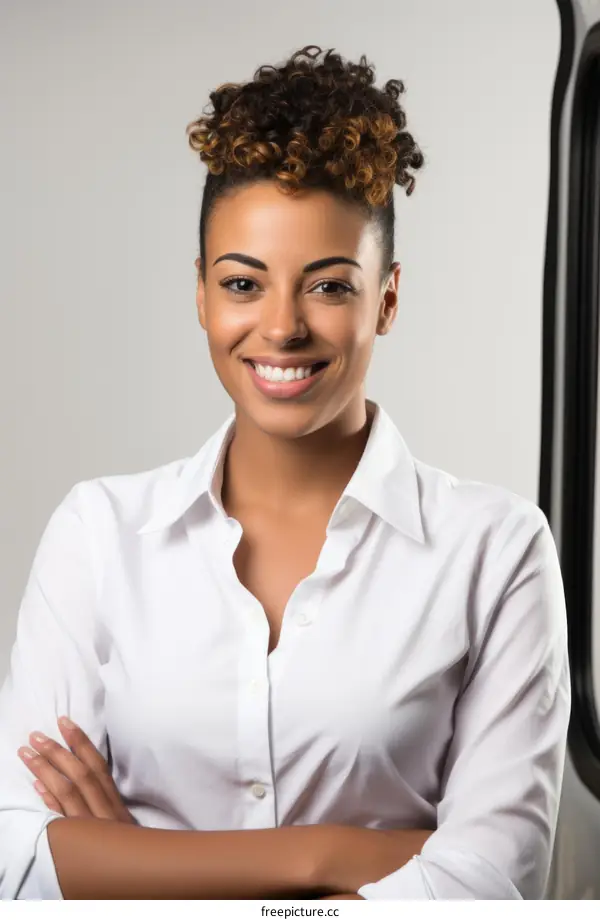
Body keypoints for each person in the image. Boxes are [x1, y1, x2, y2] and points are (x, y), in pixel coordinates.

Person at [0, 44, 570, 900]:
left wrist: (137, 872)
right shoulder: (97, 533)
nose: (281, 327)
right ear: (201, 294)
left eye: (329, 287)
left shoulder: (497, 549)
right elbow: (19, 860)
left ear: (387, 297)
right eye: (243, 283)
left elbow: (489, 885)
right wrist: (326, 860)